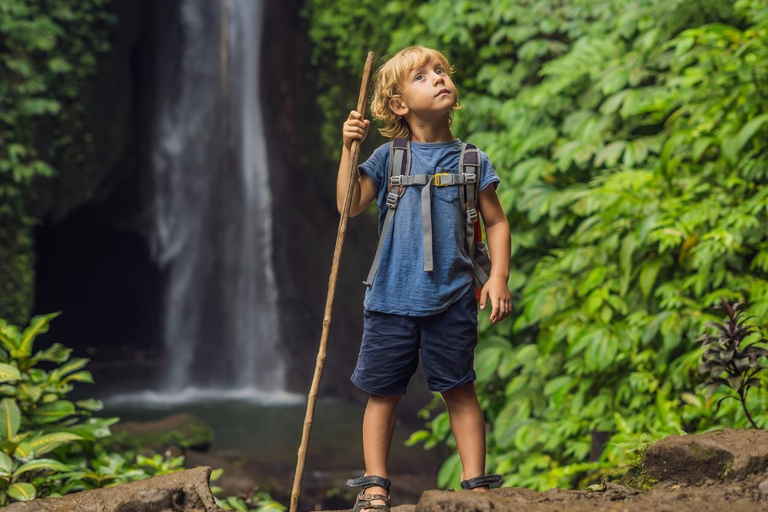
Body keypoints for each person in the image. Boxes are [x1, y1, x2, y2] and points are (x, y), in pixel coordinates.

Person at [336, 45, 512, 512]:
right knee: (383, 393)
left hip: (451, 297)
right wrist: (349, 149)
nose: (438, 78)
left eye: (441, 71)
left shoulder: (471, 161)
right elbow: (349, 204)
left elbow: (496, 222)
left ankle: (476, 486)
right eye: (422, 76)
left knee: (460, 388)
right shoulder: (387, 159)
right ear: (398, 104)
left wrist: (498, 277)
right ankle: (375, 487)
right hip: (390, 298)